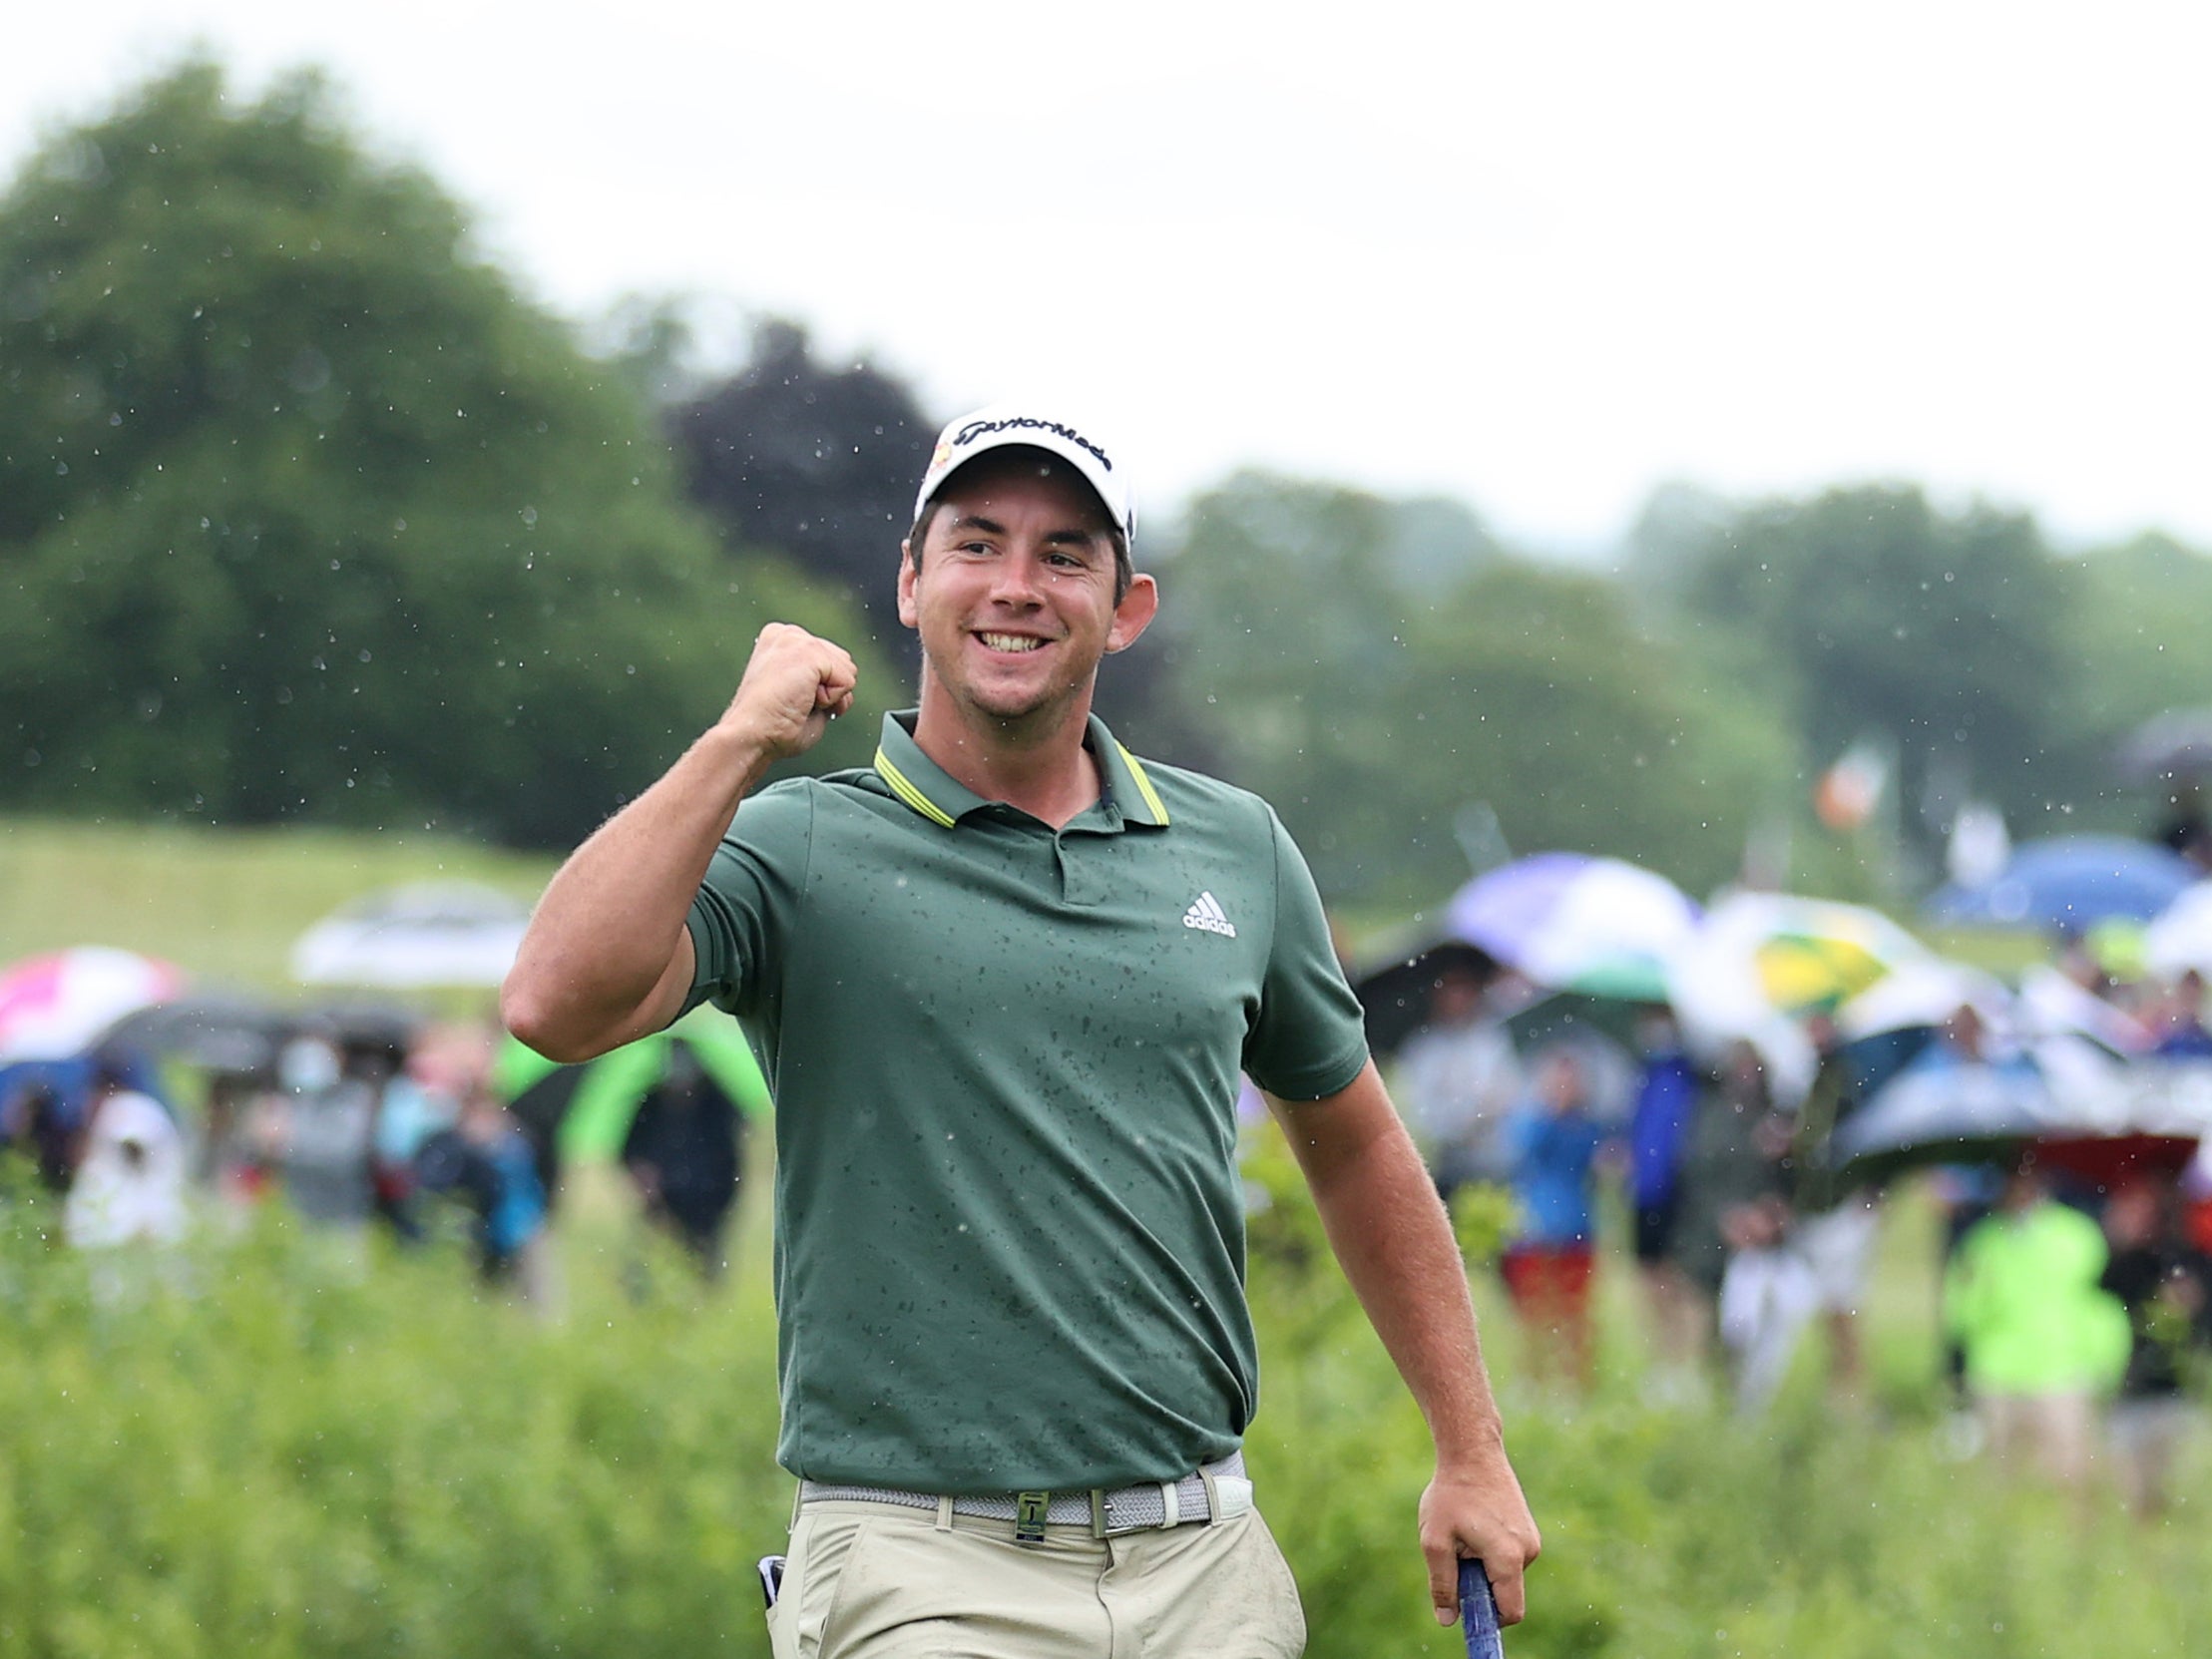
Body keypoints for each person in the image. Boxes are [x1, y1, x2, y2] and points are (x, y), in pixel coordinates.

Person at [503, 403, 1540, 1655]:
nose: (1016, 586)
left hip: (1201, 1557)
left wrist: (1470, 1449)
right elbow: (554, 1005)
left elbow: (1360, 1147)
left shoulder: (1236, 849)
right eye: (977, 543)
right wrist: (738, 742)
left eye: (1063, 555)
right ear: (911, 581)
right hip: (915, 1558)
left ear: (1127, 605)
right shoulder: (803, 844)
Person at [1944, 1156, 2128, 1487]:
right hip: (1998, 1372)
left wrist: (2106, 1361)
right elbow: (1960, 1313)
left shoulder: (2077, 1235)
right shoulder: (1983, 1242)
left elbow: (2103, 1306)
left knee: (2071, 1477)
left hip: (2063, 1370)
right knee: (2004, 1479)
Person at [2097, 1174, 2212, 1516]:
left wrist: (2195, 1303)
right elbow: (2103, 1291)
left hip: (2179, 1394)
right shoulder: (2131, 1262)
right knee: (2130, 1500)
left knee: (2176, 1497)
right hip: (2131, 1390)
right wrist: (2117, 1236)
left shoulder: (2194, 1262)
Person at [1498, 1047, 1607, 1394]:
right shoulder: (1531, 1120)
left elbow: (1594, 1168)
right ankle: (1533, 1382)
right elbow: (1522, 1152)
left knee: (1574, 1316)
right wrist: (1548, 1112)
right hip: (1534, 1230)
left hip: (1576, 1230)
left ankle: (1573, 1386)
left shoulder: (1586, 1127)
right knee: (1533, 1313)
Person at [1395, 956, 1523, 1209]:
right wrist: (1457, 1121)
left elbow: (1506, 1095)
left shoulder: (1491, 1042)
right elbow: (1416, 1108)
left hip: (1487, 1166)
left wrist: (1477, 1114)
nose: (1457, 997)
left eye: (1464, 989)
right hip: (1439, 1167)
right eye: (1450, 989)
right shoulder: (1423, 1048)